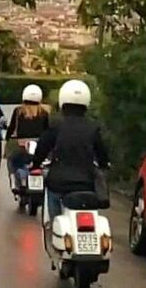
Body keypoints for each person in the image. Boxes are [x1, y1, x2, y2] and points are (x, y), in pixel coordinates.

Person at [31, 79, 109, 220]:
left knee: (54, 217)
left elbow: (42, 149)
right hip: (86, 184)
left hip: (58, 183)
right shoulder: (93, 128)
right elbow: (103, 156)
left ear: (62, 101)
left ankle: (53, 228)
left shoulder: (55, 126)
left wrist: (35, 164)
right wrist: (104, 165)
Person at [5, 84, 51, 190]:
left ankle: (14, 181)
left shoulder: (18, 111)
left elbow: (12, 127)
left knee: (12, 161)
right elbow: (48, 130)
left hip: (21, 145)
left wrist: (7, 139)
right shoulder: (44, 112)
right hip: (40, 145)